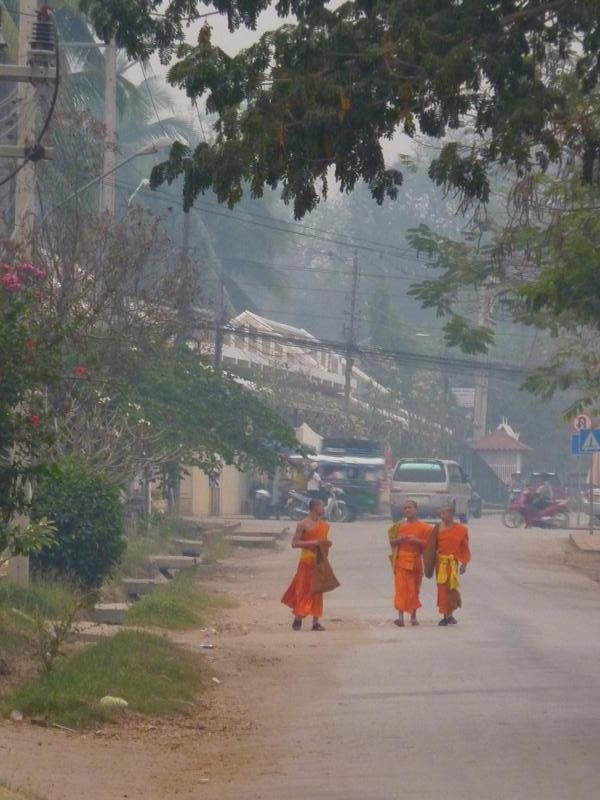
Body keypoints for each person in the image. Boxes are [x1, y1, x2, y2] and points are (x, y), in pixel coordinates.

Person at [281, 498, 332, 631]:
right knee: (303, 590)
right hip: (306, 561)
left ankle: (316, 622)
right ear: (315, 507)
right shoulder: (303, 524)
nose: (324, 509)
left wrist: (325, 545)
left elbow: (322, 542)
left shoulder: (323, 524)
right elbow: (294, 543)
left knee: (318, 591)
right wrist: (312, 543)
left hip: (319, 561)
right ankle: (298, 618)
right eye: (322, 506)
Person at [387, 500, 432, 627]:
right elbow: (391, 542)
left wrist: (418, 541)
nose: (407, 510)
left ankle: (413, 616)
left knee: (414, 589)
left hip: (416, 561)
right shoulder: (398, 526)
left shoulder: (425, 528)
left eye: (410, 507)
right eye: (405, 508)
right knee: (401, 589)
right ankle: (400, 617)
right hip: (401, 561)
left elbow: (431, 546)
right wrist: (399, 539)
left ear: (416, 510)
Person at [435, 504, 471, 626]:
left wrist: (464, 563)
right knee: (442, 588)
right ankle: (446, 615)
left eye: (444, 514)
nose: (442, 516)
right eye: (441, 514)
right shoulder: (437, 528)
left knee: (451, 588)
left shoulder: (461, 530)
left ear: (451, 515)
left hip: (452, 563)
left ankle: (449, 615)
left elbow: (464, 548)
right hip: (440, 563)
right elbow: (431, 546)